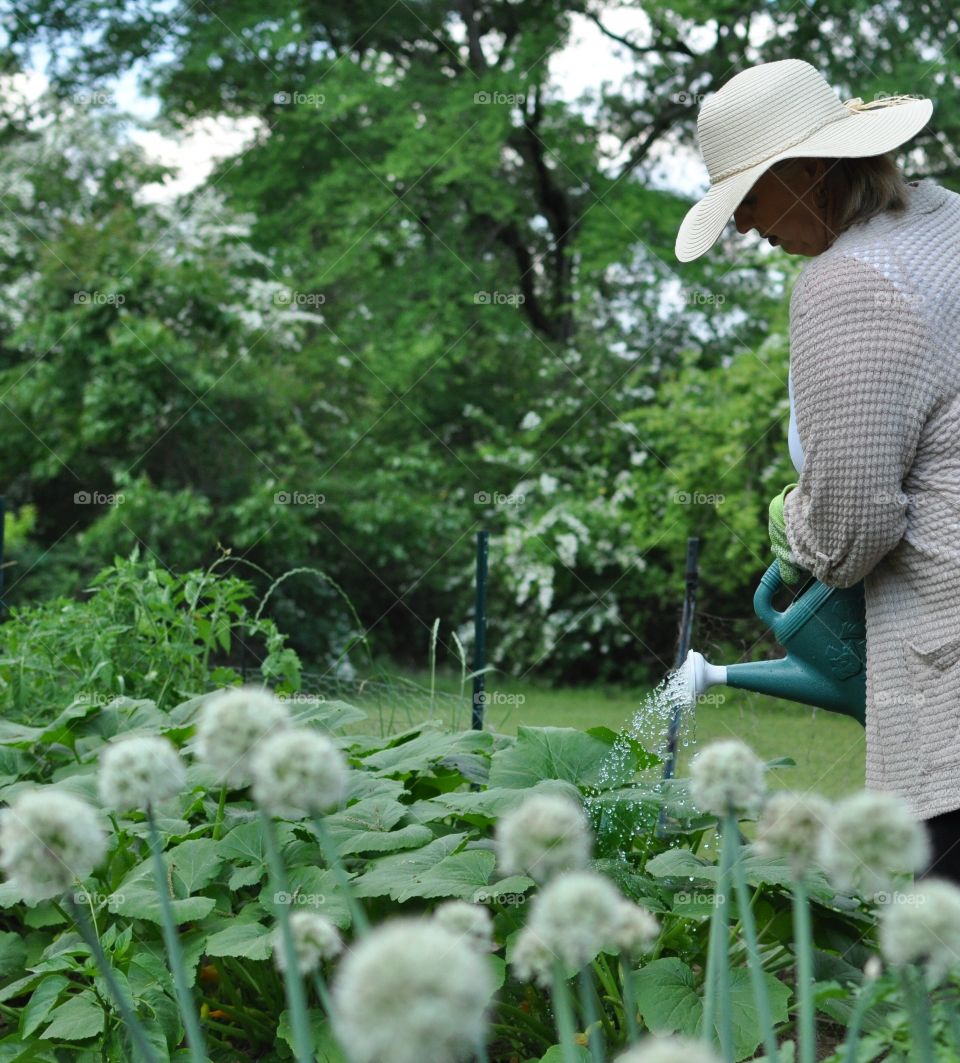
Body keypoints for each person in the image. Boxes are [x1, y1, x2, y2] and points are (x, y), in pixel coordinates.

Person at [675, 58, 960, 885]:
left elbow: (853, 529)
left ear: (806, 171)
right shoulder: (946, 220)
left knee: (941, 946)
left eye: (748, 199)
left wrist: (795, 520)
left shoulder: (846, 283)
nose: (743, 226)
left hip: (946, 669)